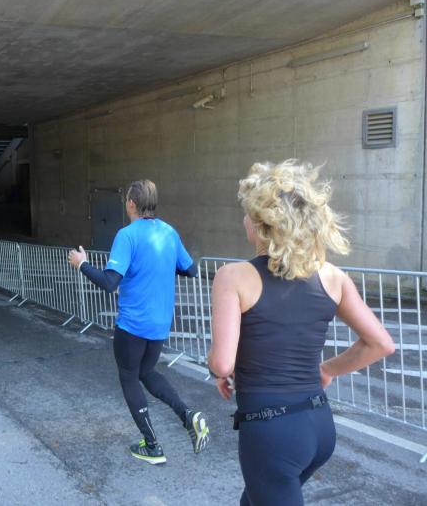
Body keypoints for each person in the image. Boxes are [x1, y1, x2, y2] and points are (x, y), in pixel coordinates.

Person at [207, 160, 395, 506]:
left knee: (267, 491)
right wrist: (327, 370)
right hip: (318, 424)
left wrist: (220, 366)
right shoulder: (333, 276)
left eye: (247, 213)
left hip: (272, 433)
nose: (244, 220)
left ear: (261, 224)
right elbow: (380, 343)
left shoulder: (232, 276)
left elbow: (222, 363)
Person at [67, 179, 210, 465]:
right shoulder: (168, 232)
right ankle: (188, 415)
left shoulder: (127, 235)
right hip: (159, 324)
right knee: (146, 372)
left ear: (131, 203)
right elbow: (191, 269)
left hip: (132, 325)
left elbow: (110, 282)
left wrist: (81, 263)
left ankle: (152, 445)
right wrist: (160, 266)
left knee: (129, 377)